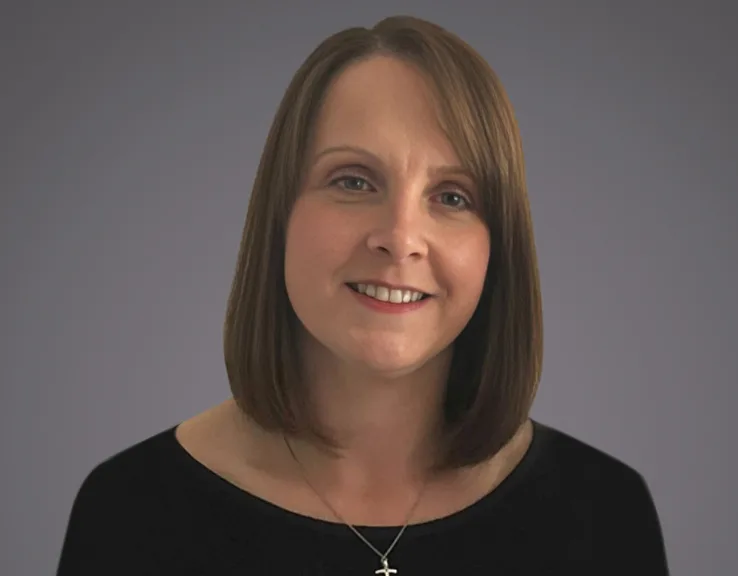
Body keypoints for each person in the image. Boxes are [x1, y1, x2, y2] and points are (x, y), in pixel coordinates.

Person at [56, 15, 669, 576]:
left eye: (452, 196)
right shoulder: (129, 511)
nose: (400, 239)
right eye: (353, 180)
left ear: (497, 248)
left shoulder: (604, 514)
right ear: (280, 217)